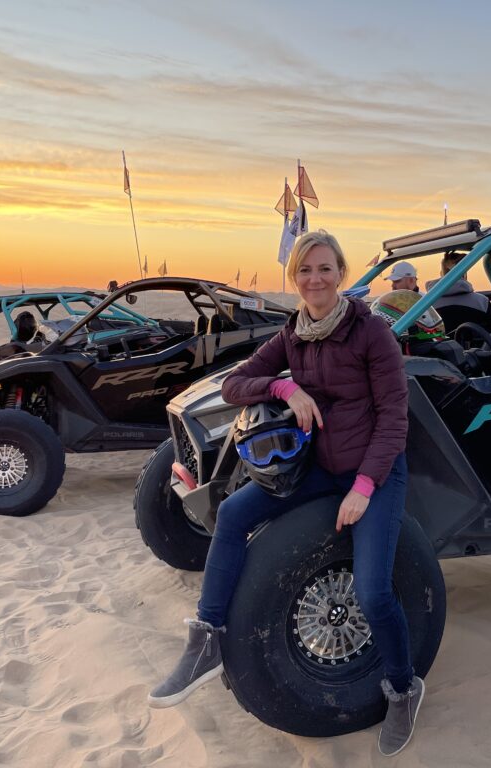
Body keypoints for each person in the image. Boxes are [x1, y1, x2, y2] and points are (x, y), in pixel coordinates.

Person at [148, 230, 423, 756]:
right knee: (231, 513)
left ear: (340, 273)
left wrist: (364, 488)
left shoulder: (371, 333)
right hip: (318, 467)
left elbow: (394, 419)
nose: (314, 279)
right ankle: (206, 640)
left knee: (373, 591)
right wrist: (283, 386)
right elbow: (233, 385)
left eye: (324, 269)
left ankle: (404, 688)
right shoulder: (293, 336)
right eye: (304, 271)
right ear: (293, 278)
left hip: (375, 473)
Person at [425, 251, 491, 333]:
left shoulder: (424, 306)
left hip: (438, 345)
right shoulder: (482, 302)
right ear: (464, 273)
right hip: (476, 346)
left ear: (441, 273)